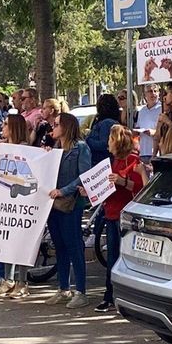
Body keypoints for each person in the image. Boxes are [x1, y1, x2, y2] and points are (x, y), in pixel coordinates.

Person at [94, 125, 147, 312]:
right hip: (111, 213)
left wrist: (122, 181)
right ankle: (109, 295)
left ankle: (122, 296)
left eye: (110, 139)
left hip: (124, 216)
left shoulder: (133, 160)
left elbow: (140, 188)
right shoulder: (113, 161)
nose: (107, 143)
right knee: (112, 257)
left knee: (122, 257)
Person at [45, 113, 92, 309]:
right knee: (60, 245)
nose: (52, 128)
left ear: (66, 127)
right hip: (54, 204)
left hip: (71, 204)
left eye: (56, 125)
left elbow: (83, 176)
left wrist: (63, 191)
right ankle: (64, 288)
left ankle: (81, 291)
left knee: (74, 246)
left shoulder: (80, 148)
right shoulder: (55, 149)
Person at [0, 114, 34, 300]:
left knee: (22, 244)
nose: (2, 126)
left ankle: (22, 282)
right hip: (5, 204)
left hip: (21, 206)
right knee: (8, 241)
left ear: (14, 128)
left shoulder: (24, 149)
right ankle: (8, 279)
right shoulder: (1, 146)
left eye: (6, 124)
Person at [86, 93, 121, 164]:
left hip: (102, 162)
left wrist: (87, 140)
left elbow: (104, 144)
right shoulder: (109, 122)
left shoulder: (106, 123)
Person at [134, 84, 161, 165]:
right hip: (143, 151)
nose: (153, 93)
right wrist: (135, 131)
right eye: (150, 91)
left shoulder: (162, 108)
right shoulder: (142, 111)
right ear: (145, 95)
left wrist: (153, 132)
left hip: (156, 152)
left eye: (155, 91)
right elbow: (139, 127)